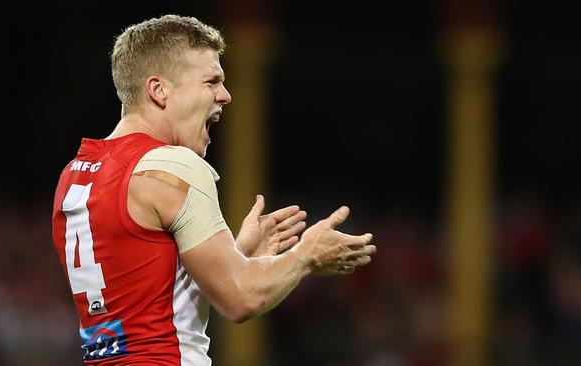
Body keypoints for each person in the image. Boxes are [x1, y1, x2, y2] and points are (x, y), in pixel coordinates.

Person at [51, 14, 376, 366]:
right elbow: (239, 298)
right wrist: (306, 254)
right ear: (159, 90)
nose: (226, 95)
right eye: (211, 81)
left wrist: (237, 254)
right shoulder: (173, 165)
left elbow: (144, 296)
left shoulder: (75, 174)